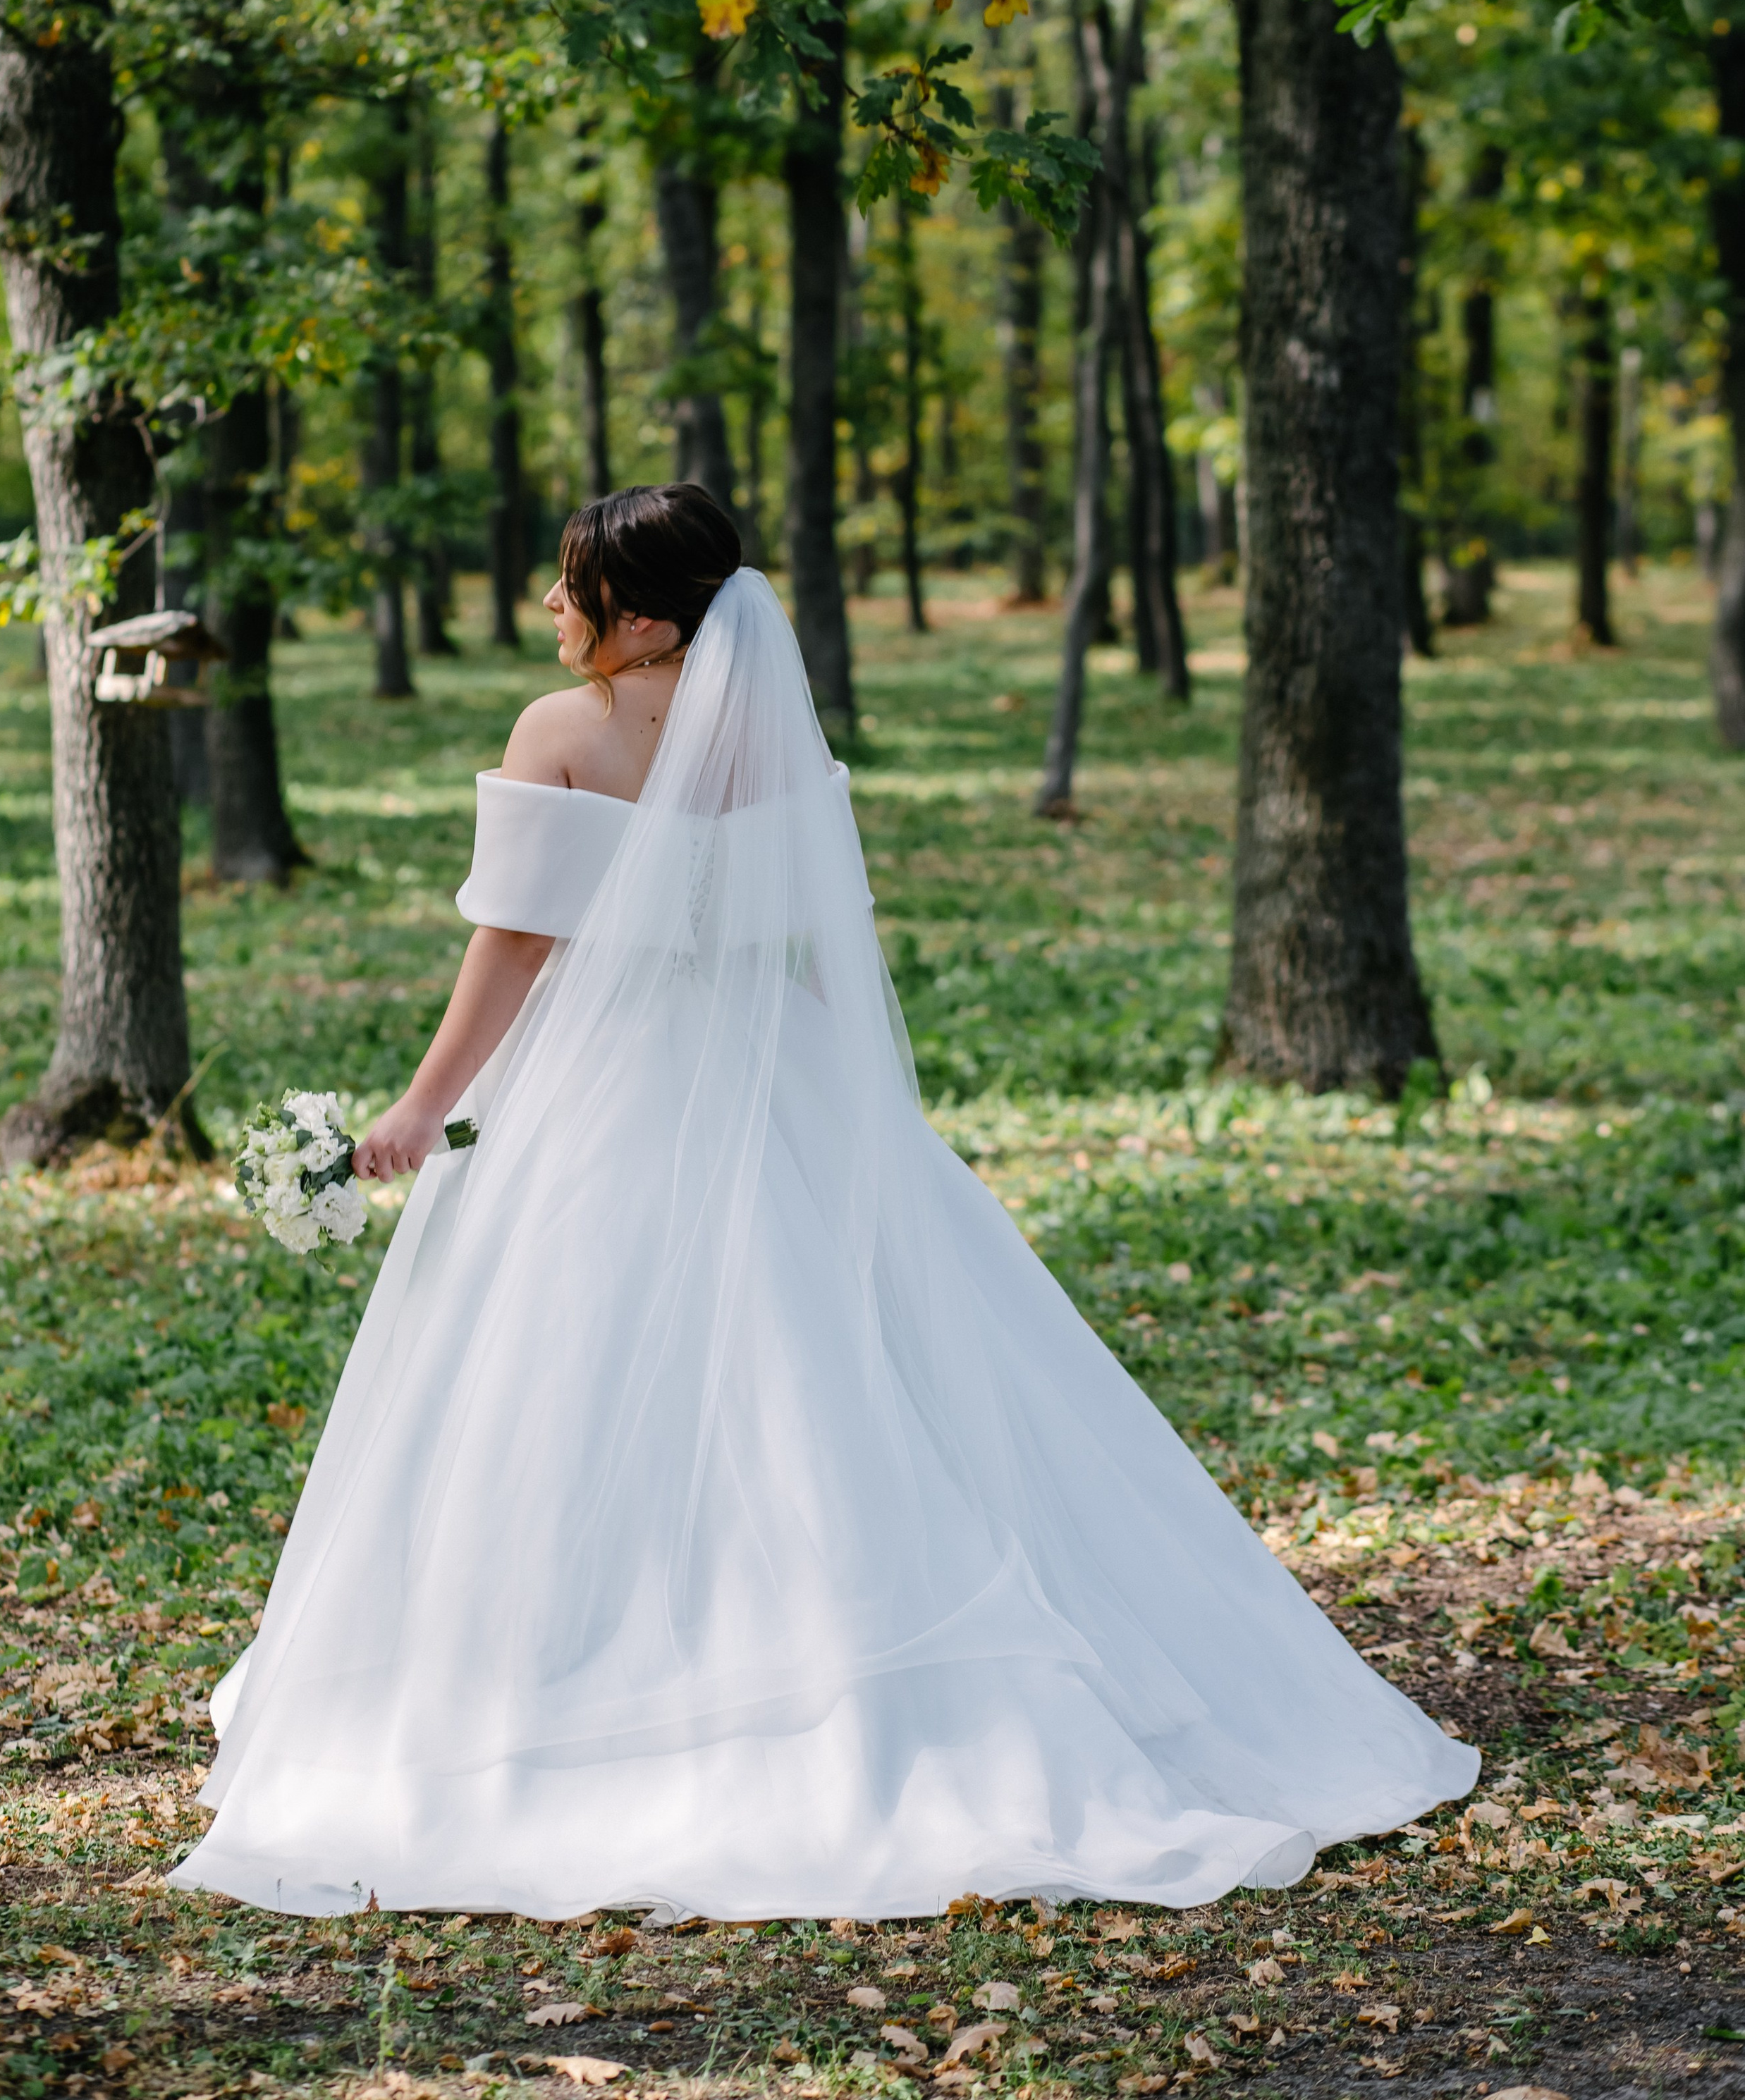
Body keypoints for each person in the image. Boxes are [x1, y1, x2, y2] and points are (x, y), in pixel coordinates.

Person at [170, 481, 1476, 1922]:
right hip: (766, 1063)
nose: (549, 607)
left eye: (572, 589)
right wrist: (853, 1112)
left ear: (641, 623)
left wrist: (422, 1107)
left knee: (567, 1370)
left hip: (606, 1078)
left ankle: (546, 1684)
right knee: (820, 1363)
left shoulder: (560, 734)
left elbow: (516, 946)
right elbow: (804, 941)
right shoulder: (769, 738)